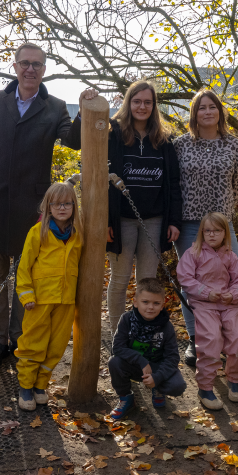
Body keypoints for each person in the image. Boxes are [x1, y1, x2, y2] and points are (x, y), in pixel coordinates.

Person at [0, 43, 81, 370]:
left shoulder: (55, 107)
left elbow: (74, 140)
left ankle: (19, 339)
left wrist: (84, 112)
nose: (31, 69)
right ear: (15, 66)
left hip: (32, 207)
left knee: (25, 278)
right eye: (25, 63)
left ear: (45, 69)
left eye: (37, 65)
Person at [77, 81, 182, 332]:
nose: (142, 107)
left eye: (147, 102)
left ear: (154, 106)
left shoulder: (165, 141)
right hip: (120, 220)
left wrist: (174, 221)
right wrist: (105, 223)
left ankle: (142, 334)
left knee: (147, 282)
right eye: (137, 101)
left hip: (155, 220)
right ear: (128, 103)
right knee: (120, 280)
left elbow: (174, 184)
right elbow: (93, 167)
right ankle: (117, 336)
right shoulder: (113, 134)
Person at [173, 90, 238, 367]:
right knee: (193, 284)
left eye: (212, 107)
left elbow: (237, 184)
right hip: (191, 224)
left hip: (222, 225)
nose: (207, 112)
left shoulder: (234, 146)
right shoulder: (181, 145)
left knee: (233, 280)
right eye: (201, 108)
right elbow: (174, 185)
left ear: (220, 112)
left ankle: (234, 342)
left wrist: (223, 217)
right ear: (194, 114)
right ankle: (197, 341)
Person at [14, 182, 83, 411]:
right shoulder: (38, 232)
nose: (61, 208)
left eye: (66, 203)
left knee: (57, 345)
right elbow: (24, 267)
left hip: (66, 300)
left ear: (74, 206)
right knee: (33, 343)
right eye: (56, 204)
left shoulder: (78, 234)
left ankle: (40, 386)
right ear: (48, 206)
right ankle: (25, 386)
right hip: (39, 300)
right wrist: (26, 295)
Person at [176, 212, 238, 410]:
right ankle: (205, 387)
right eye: (207, 231)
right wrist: (207, 293)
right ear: (202, 233)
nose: (212, 235)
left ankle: (234, 380)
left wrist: (232, 294)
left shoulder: (230, 256)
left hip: (228, 304)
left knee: (237, 337)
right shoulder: (194, 253)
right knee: (212, 338)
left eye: (217, 231)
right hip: (204, 304)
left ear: (225, 233)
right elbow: (185, 278)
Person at [108, 278, 187, 420]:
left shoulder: (166, 326)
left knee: (178, 385)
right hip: (135, 366)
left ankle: (157, 388)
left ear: (162, 305)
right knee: (114, 362)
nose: (151, 307)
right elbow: (117, 348)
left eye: (156, 303)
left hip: (157, 367)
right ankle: (126, 398)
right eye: (145, 302)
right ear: (135, 302)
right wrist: (141, 361)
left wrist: (157, 378)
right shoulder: (126, 319)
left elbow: (173, 357)